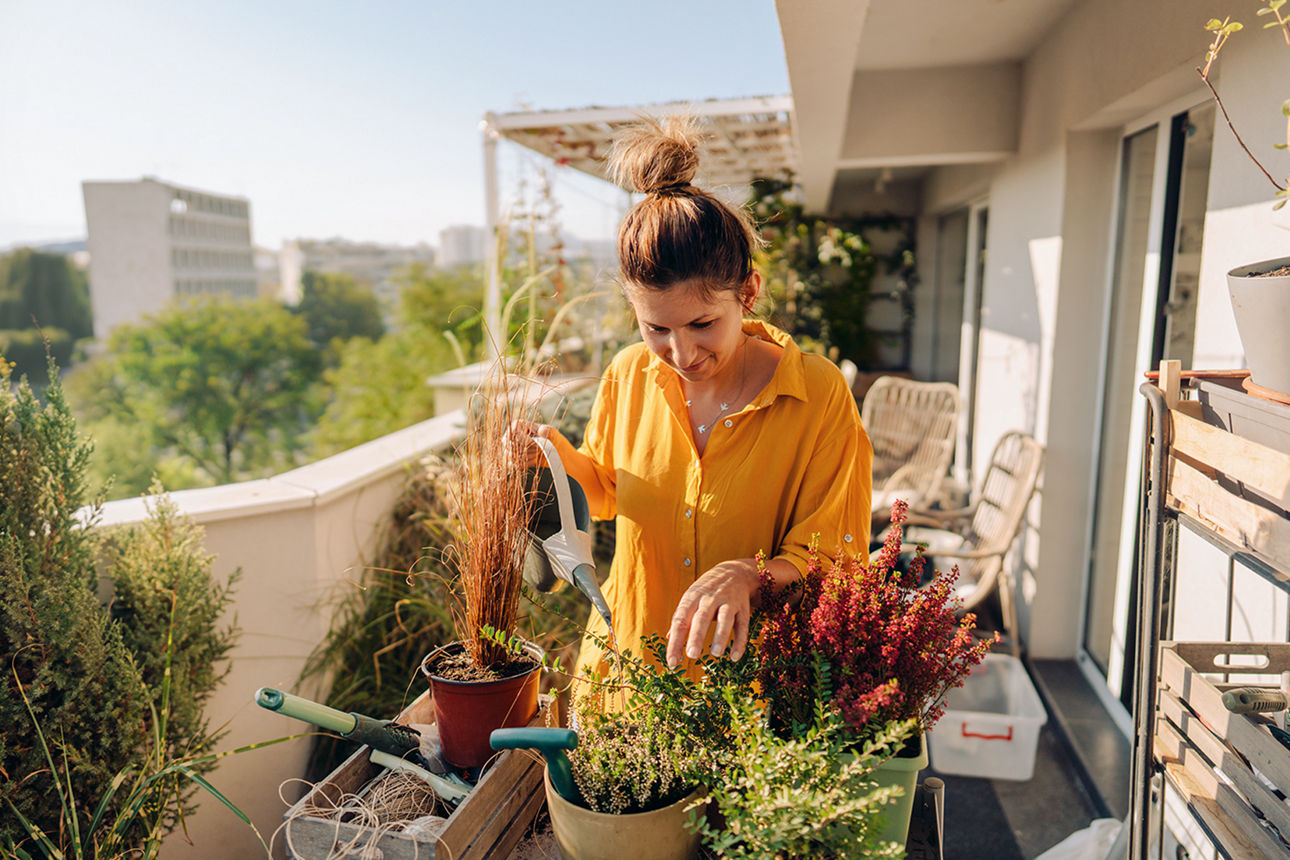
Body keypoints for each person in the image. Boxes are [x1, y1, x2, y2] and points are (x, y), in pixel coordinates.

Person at [513, 116, 872, 687]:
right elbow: (606, 493)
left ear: (748, 292)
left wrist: (749, 575)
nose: (680, 353)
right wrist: (549, 455)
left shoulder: (817, 394)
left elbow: (836, 555)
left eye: (703, 323)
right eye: (656, 328)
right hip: (627, 669)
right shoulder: (628, 373)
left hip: (748, 699)